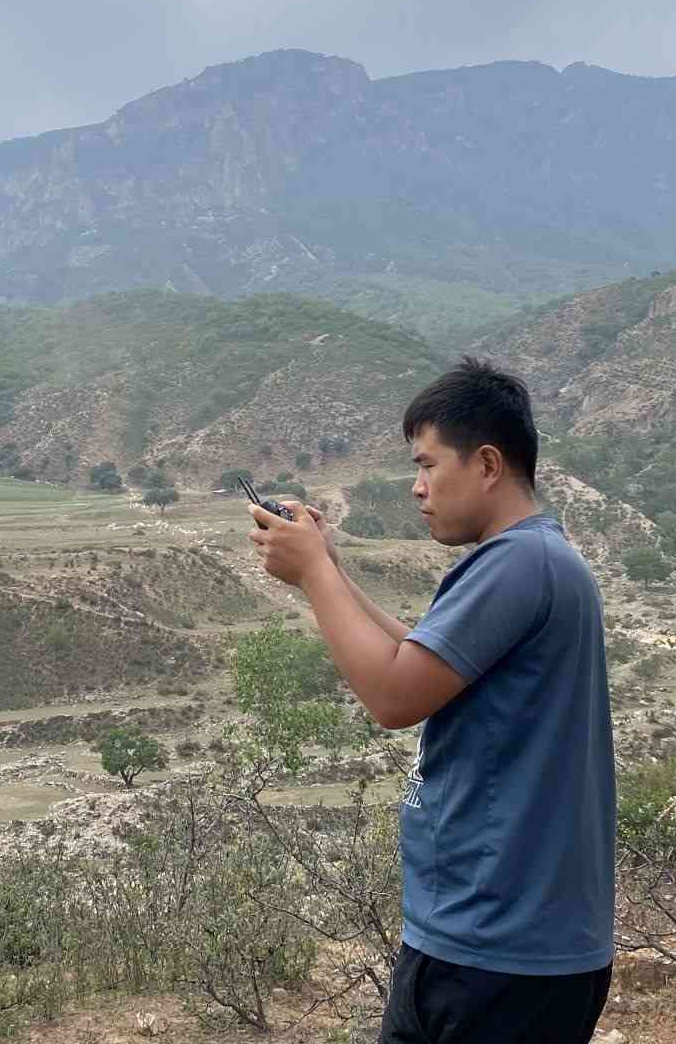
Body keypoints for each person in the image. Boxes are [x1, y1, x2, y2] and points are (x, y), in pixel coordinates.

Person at [247, 356, 615, 1044]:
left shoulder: (520, 562)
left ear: (486, 464)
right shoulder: (530, 559)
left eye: (427, 465)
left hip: (501, 951)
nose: (417, 487)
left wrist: (315, 572)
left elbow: (393, 696)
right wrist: (327, 572)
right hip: (477, 940)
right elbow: (417, 658)